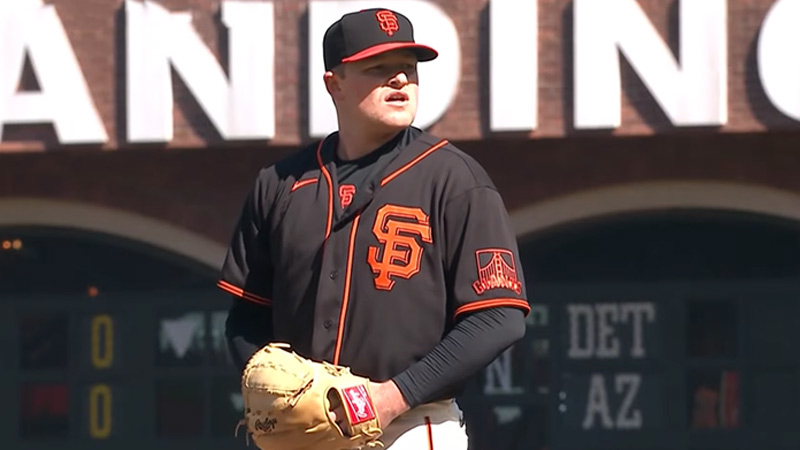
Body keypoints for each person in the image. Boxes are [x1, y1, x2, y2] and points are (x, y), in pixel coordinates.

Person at [219, 7, 529, 448]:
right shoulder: (280, 184)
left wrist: (391, 397)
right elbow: (246, 316)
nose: (400, 80)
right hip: (303, 431)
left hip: (411, 426)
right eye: (378, 68)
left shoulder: (456, 180)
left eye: (407, 68)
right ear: (335, 83)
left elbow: (499, 318)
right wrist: (267, 386)